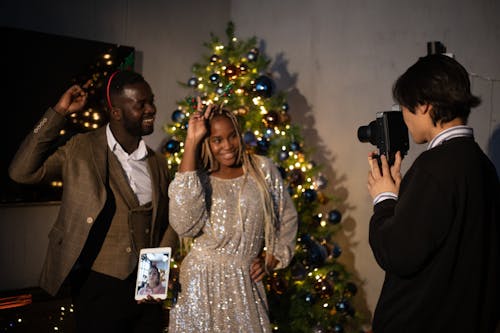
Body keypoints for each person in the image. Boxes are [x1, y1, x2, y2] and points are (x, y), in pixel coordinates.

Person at [9, 70, 177, 333]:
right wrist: (57, 113)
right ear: (116, 112)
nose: (152, 109)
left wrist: (156, 281)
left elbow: (168, 221)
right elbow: (21, 171)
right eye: (141, 104)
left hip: (148, 282)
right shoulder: (80, 148)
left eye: (151, 101)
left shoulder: (157, 162)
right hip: (97, 283)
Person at [366, 54, 500, 333]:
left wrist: (384, 199)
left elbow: (398, 253)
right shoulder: (483, 165)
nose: (403, 115)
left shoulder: (434, 166)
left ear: (424, 105)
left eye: (404, 106)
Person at [167, 98, 298, 332]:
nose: (227, 145)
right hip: (198, 284)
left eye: (232, 136)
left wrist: (273, 257)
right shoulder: (200, 179)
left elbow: (286, 217)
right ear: (207, 141)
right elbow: (183, 225)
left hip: (244, 282)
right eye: (217, 139)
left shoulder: (262, 169)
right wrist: (191, 141)